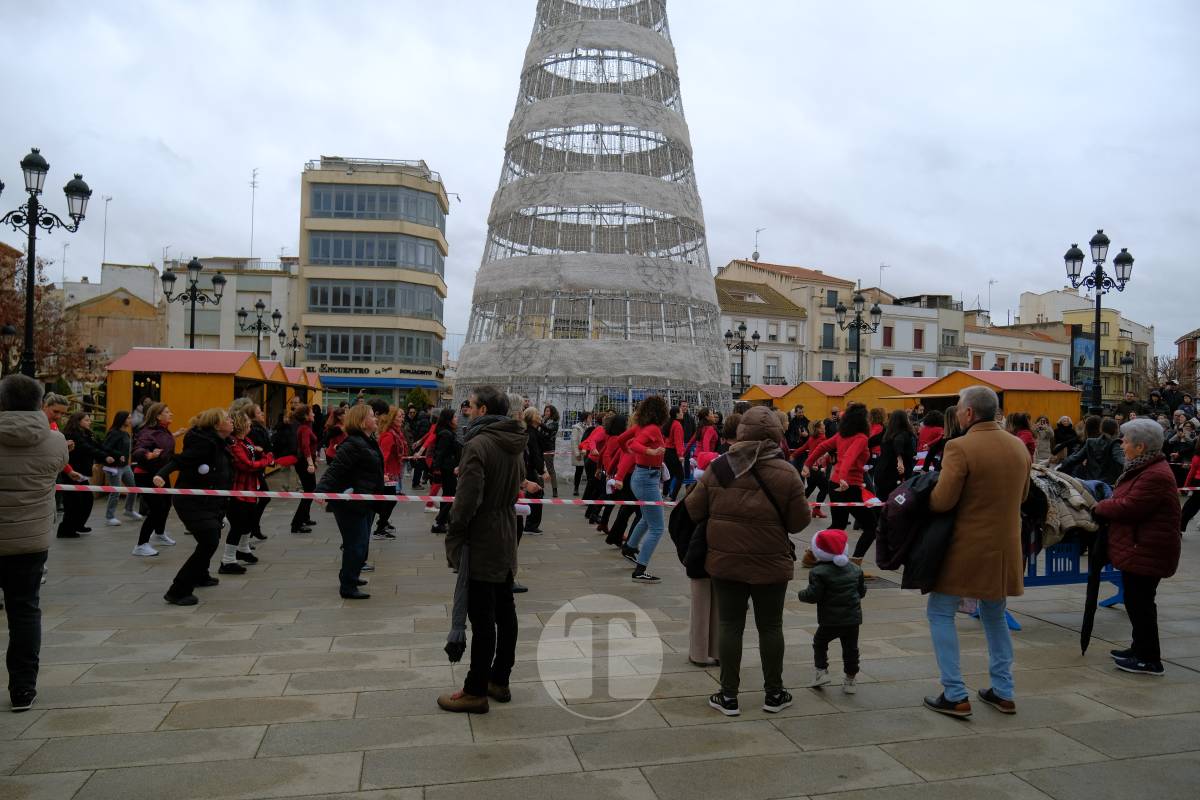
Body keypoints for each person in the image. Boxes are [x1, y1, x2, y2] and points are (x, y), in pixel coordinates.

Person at [685, 406, 809, 716]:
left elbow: (694, 510)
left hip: (726, 562)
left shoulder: (721, 467)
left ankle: (728, 696)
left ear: (741, 434)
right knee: (770, 627)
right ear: (776, 436)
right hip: (771, 563)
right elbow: (798, 523)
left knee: (730, 625)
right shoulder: (787, 472)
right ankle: (774, 693)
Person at [923, 386, 1030, 717]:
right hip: (1005, 547)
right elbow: (1024, 496)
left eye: (958, 408)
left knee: (940, 611)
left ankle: (955, 692)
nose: (956, 413)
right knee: (994, 614)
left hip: (966, 546)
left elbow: (943, 500)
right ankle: (1003, 689)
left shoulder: (960, 446)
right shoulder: (1018, 446)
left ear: (969, 413)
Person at [438, 386, 526, 714]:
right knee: (505, 609)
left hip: (483, 537)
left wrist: (454, 534)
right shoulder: (514, 441)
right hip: (505, 531)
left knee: (483, 616)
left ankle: (475, 689)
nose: (466, 410)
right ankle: (499, 679)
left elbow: (467, 501)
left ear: (484, 409)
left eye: (471, 406)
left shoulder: (478, 444)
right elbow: (515, 483)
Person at [0, 375, 69, 712]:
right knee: (25, 611)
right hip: (29, 540)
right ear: (40, 403)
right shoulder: (56, 442)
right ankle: (23, 689)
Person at [1093, 419, 1182, 675]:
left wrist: (1100, 507)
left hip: (1147, 548)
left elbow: (1129, 506)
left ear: (1141, 447)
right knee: (1136, 601)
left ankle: (1149, 658)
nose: (1122, 444)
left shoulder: (1154, 474)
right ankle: (1139, 647)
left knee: (1141, 603)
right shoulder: (1146, 468)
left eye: (1126, 441)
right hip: (1141, 546)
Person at [154, 409, 234, 606]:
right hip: (192, 501)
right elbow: (180, 460)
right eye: (227, 419)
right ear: (216, 425)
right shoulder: (205, 444)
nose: (231, 421)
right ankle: (178, 590)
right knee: (209, 541)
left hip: (211, 502)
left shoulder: (220, 443)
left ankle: (201, 575)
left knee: (211, 536)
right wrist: (161, 474)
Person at [315, 404, 385, 599]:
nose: (376, 419)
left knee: (360, 544)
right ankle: (347, 586)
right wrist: (321, 491)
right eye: (372, 416)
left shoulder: (367, 441)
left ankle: (351, 577)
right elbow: (334, 470)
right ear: (363, 422)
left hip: (363, 501)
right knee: (356, 545)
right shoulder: (353, 444)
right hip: (349, 503)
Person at [803, 406, 878, 569]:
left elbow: (823, 448)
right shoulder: (860, 438)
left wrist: (807, 464)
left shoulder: (841, 435)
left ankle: (811, 553)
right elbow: (849, 457)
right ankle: (856, 562)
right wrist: (844, 477)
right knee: (871, 527)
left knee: (838, 524)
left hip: (835, 484)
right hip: (848, 486)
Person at [798, 529, 867, 694]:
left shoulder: (818, 572)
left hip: (830, 619)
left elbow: (813, 595)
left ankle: (821, 672)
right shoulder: (856, 570)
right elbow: (861, 592)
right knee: (851, 648)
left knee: (820, 642)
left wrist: (801, 594)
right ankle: (850, 680)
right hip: (852, 619)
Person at [620, 395, 670, 582]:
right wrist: (651, 452)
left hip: (641, 476)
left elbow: (623, 441)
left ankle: (630, 547)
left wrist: (629, 452)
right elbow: (634, 444)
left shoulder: (641, 427)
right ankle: (640, 570)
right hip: (647, 479)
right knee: (657, 527)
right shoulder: (653, 429)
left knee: (646, 518)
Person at [219, 411, 271, 575]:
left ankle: (243, 549)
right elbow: (247, 465)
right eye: (247, 422)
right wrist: (266, 460)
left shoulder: (245, 440)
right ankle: (227, 561)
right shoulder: (234, 443)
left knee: (249, 520)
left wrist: (262, 455)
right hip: (238, 489)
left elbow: (257, 453)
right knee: (238, 524)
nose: (250, 424)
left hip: (250, 488)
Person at [131, 403, 177, 556]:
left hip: (161, 474)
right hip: (146, 475)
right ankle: (141, 544)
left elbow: (167, 452)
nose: (171, 414)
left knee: (165, 505)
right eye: (167, 412)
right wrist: (147, 455)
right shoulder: (147, 432)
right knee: (156, 508)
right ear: (158, 416)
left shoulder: (164, 431)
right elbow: (138, 450)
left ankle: (159, 534)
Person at [57, 411, 108, 538]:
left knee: (86, 500)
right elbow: (88, 448)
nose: (89, 422)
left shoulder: (85, 434)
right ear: (78, 421)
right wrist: (106, 457)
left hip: (80, 474)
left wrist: (112, 455)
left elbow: (97, 446)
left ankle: (78, 524)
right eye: (86, 420)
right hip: (71, 473)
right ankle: (66, 530)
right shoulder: (72, 434)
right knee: (73, 503)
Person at [375, 406, 409, 540]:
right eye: (400, 416)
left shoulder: (397, 433)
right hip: (387, 474)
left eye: (402, 416)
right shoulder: (389, 435)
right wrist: (382, 474)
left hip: (392, 472)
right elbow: (383, 457)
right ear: (392, 418)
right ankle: (380, 528)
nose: (402, 418)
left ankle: (382, 522)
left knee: (391, 499)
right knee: (389, 500)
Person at [1062, 417, 1125, 485]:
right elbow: (1121, 461)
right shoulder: (1115, 443)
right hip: (1108, 486)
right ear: (1116, 429)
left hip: (1090, 484)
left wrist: (1060, 468)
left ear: (1101, 429)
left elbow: (1075, 459)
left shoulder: (1090, 442)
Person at [101, 411, 139, 525]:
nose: (130, 420)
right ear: (122, 419)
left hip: (125, 466)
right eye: (128, 418)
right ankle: (109, 517)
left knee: (133, 488)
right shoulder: (113, 433)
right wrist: (118, 455)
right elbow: (105, 448)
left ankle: (129, 510)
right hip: (114, 467)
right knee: (115, 492)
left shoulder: (126, 434)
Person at [430, 407, 462, 535]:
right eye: (454, 417)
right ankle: (439, 521)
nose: (457, 418)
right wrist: (436, 469)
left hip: (448, 467)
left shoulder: (447, 432)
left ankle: (444, 520)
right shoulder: (446, 434)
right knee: (450, 495)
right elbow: (440, 453)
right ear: (448, 420)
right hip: (447, 468)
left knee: (448, 494)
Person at [288, 405, 319, 534]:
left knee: (310, 490)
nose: (314, 414)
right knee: (309, 491)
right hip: (304, 463)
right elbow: (305, 447)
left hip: (304, 462)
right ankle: (296, 524)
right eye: (312, 412)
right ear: (306, 416)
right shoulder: (305, 429)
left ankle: (305, 518)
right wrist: (310, 463)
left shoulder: (305, 427)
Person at [874, 409, 917, 502]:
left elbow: (869, 441)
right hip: (895, 474)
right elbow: (898, 442)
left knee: (882, 502)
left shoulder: (886, 433)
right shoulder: (904, 433)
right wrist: (900, 459)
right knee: (897, 503)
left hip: (881, 472)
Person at [521, 407, 548, 535]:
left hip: (530, 467)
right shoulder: (531, 433)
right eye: (537, 414)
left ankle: (530, 524)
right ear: (531, 417)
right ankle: (531, 525)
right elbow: (535, 454)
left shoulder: (535, 431)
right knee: (537, 493)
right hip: (530, 468)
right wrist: (542, 471)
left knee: (533, 494)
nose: (540, 415)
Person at [569, 411, 591, 496]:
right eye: (589, 418)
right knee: (579, 471)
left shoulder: (590, 427)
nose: (591, 419)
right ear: (585, 418)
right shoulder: (577, 428)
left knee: (589, 472)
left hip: (588, 453)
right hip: (580, 453)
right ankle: (576, 488)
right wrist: (577, 454)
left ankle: (588, 490)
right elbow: (574, 441)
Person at [541, 404, 560, 498]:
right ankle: (540, 488)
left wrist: (540, 423)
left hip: (549, 448)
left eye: (548, 411)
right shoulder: (543, 420)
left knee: (550, 469)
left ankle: (555, 490)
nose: (546, 413)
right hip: (540, 447)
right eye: (545, 411)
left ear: (552, 412)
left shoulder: (554, 423)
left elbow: (548, 430)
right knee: (539, 468)